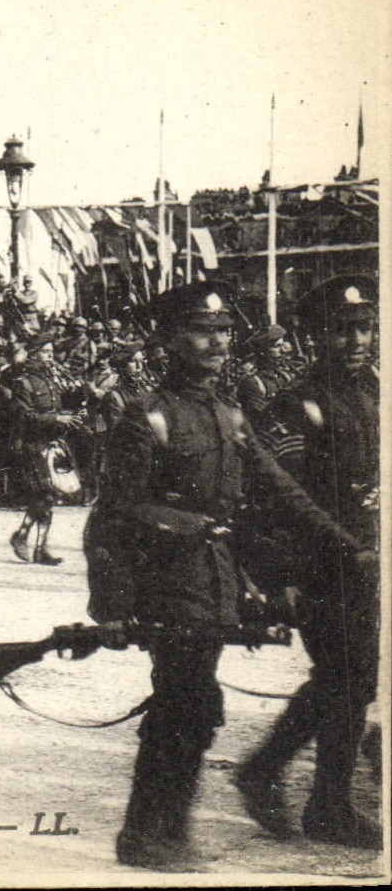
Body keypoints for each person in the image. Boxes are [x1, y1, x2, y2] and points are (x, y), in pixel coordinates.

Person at [82, 281, 370, 871]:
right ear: (168, 339)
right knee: (182, 704)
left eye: (222, 333)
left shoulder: (227, 413)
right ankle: (145, 834)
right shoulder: (148, 416)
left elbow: (283, 492)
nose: (214, 343)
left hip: (215, 581)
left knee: (196, 704)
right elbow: (112, 517)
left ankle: (167, 831)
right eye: (200, 331)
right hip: (168, 579)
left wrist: (348, 545)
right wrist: (111, 606)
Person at [235, 276, 380, 848]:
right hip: (321, 564)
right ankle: (319, 801)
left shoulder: (370, 391)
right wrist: (285, 576)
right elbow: (276, 498)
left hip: (365, 559)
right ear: (313, 337)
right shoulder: (298, 406)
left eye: (365, 327)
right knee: (350, 676)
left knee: (350, 680)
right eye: (342, 331)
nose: (357, 340)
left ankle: (283, 780)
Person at [6, 330, 74, 565]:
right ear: (33, 355)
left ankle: (33, 543)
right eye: (45, 352)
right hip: (31, 446)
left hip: (50, 443)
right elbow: (23, 416)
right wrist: (55, 419)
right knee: (45, 493)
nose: (49, 357)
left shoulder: (51, 380)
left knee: (48, 496)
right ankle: (29, 541)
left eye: (51, 352)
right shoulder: (22, 383)